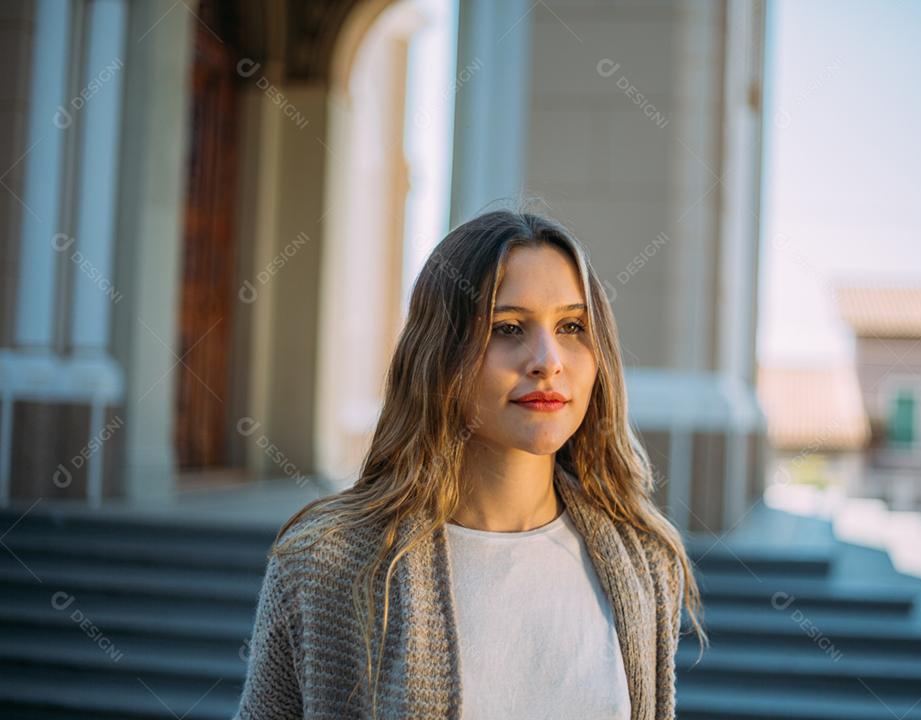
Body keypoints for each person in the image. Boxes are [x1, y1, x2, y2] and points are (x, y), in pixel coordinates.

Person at [234, 208, 707, 720]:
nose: (547, 360)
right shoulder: (327, 562)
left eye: (572, 326)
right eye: (507, 328)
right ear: (441, 353)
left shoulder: (645, 560)